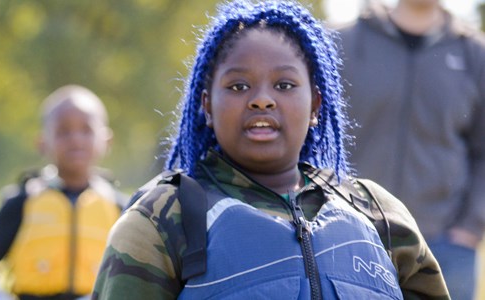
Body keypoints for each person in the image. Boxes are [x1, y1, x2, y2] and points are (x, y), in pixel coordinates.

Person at [93, 1, 448, 299]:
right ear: (207, 106)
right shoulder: (163, 218)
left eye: (284, 84)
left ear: (315, 107)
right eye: (238, 85)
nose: (262, 99)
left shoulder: (377, 215)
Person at [337, 1, 485, 298]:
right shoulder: (345, 43)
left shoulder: (474, 55)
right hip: (353, 238)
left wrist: (470, 228)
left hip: (446, 248)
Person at [0, 85, 125, 300]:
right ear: (42, 142)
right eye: (63, 131)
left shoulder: (121, 208)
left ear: (106, 140)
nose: (76, 140)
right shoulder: (21, 201)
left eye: (86, 130)